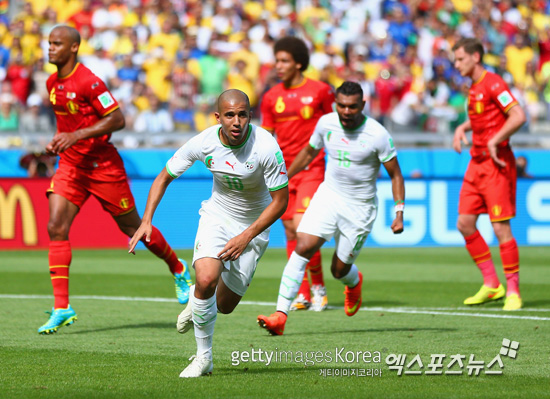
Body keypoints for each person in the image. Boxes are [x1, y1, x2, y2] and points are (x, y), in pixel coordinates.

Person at [38, 25, 192, 335]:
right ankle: (61, 307)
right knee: (56, 226)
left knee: (133, 227)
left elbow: (117, 119)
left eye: (57, 44)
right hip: (71, 164)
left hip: (102, 166)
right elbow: (69, 123)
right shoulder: (52, 82)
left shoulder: (89, 81)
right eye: (49, 43)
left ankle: (178, 269)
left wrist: (76, 135)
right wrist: (60, 140)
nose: (50, 48)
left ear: (73, 48)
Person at [128, 89, 289, 378]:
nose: (236, 121)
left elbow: (281, 202)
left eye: (242, 114)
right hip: (217, 216)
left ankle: (197, 299)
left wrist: (246, 236)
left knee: (224, 306)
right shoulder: (204, 142)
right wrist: (146, 220)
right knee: (205, 278)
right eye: (230, 115)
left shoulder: (266, 146)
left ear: (250, 116)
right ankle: (204, 357)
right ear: (218, 117)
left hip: (253, 228)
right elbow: (164, 176)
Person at [257, 81, 405, 335]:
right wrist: (284, 178)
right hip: (328, 196)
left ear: (363, 105)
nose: (346, 112)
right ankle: (280, 315)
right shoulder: (326, 123)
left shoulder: (378, 134)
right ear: (336, 103)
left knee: (339, 270)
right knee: (302, 246)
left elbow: (396, 175)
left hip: (360, 208)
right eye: (342, 106)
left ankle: (354, 281)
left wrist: (399, 211)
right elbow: (308, 153)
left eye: (352, 107)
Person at [452, 37, 527, 311]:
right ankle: (492, 284)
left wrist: (496, 140)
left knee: (500, 228)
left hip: (497, 163)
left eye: (460, 59)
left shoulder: (494, 82)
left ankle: (514, 291)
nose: (456, 64)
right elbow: (483, 116)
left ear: (476, 57)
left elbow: (518, 115)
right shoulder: (474, 88)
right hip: (476, 163)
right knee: (464, 223)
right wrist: (463, 127)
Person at [260, 36, 334, 312]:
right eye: (277, 60)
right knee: (290, 230)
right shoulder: (270, 97)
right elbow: (267, 136)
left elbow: (334, 125)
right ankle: (303, 293)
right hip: (282, 171)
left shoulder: (321, 91)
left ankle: (319, 289)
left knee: (305, 229)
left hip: (312, 168)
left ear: (298, 63)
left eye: (284, 61)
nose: (278, 66)